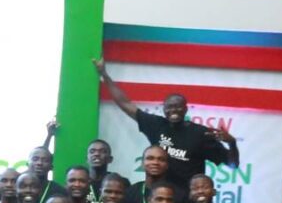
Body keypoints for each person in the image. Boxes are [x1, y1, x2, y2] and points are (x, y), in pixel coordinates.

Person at [96, 65, 239, 189]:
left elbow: (233, 164)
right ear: (163, 109)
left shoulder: (201, 134)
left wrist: (232, 143)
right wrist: (104, 75)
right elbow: (125, 104)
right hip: (158, 197)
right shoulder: (155, 125)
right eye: (169, 107)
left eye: (178, 106)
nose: (173, 110)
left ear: (185, 109)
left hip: (186, 201)